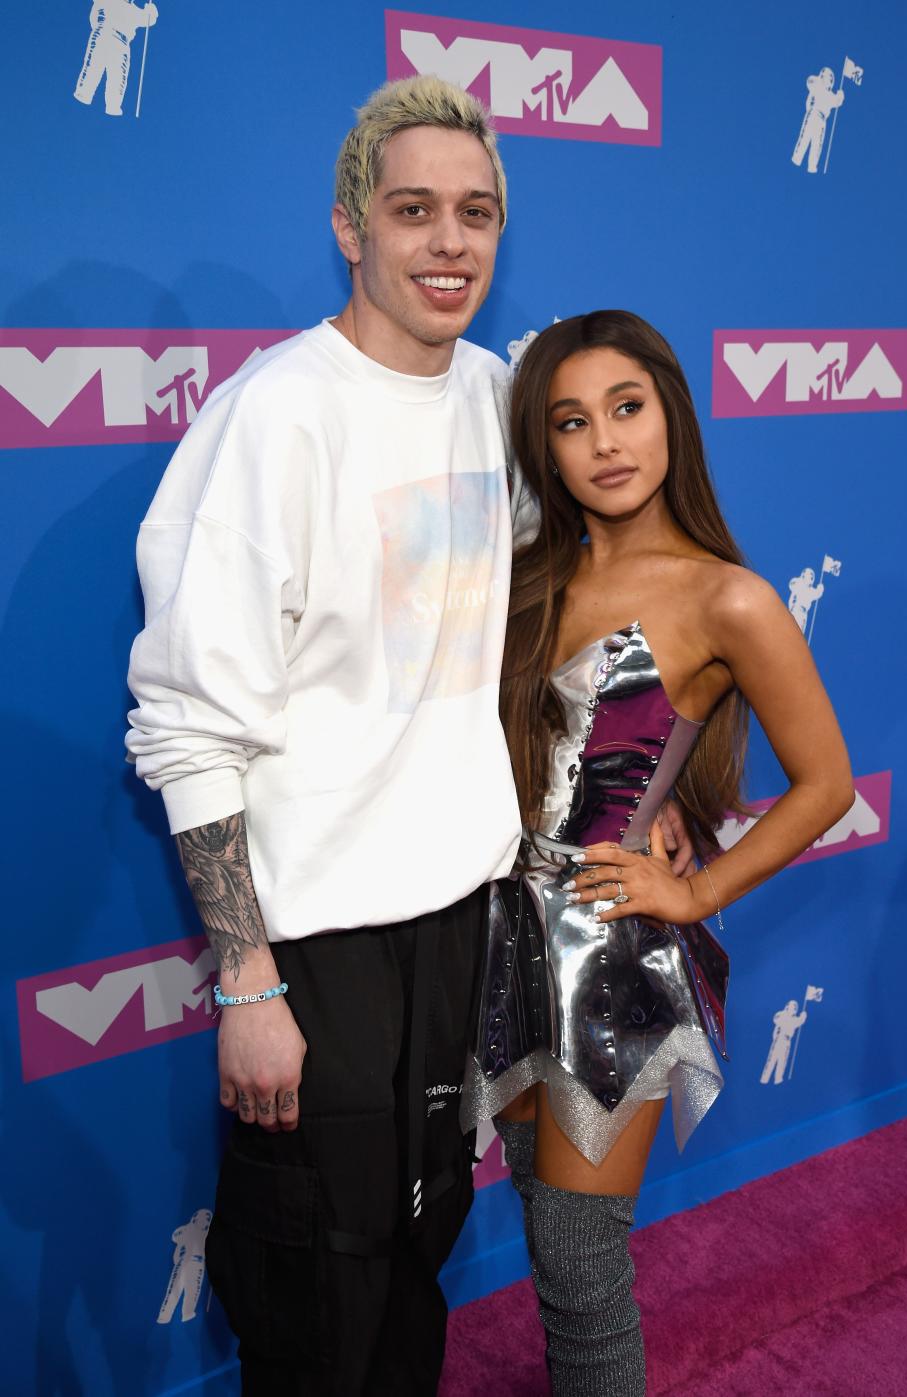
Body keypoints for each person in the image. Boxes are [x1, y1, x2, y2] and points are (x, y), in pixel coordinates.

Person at [126, 75, 529, 1396]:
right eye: (414, 211)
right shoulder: (277, 416)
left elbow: (561, 618)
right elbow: (189, 725)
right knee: (313, 1296)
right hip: (319, 944)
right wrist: (247, 980)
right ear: (352, 228)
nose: (449, 243)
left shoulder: (500, 399)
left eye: (475, 213)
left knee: (418, 1257)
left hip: (460, 920)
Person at [460, 310, 854, 1395]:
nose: (606, 441)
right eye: (572, 421)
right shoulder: (526, 573)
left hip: (609, 956)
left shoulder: (729, 596)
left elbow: (827, 784)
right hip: (496, 932)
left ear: (671, 413)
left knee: (583, 1263)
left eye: (627, 407)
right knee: (549, 1234)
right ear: (546, 448)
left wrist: (695, 891)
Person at [791, 66, 844, 174]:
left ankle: (812, 166)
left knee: (817, 143)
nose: (829, 81)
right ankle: (797, 158)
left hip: (822, 120)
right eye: (828, 78)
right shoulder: (816, 85)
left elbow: (837, 101)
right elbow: (810, 81)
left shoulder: (829, 95)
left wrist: (840, 95)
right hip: (813, 113)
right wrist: (820, 80)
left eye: (831, 80)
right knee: (805, 137)